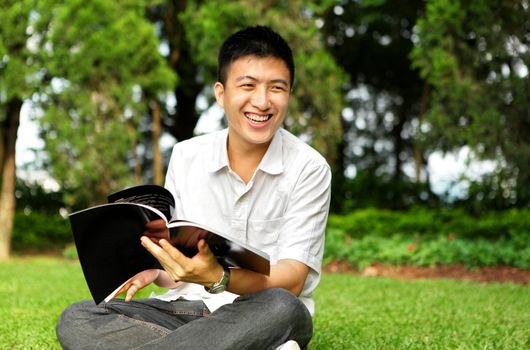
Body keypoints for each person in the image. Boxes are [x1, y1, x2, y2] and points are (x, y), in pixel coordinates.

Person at [57, 25, 331, 350]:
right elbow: (181, 266)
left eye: (277, 88)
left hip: (259, 312)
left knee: (285, 307)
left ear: (289, 95)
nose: (262, 101)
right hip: (185, 310)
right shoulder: (187, 155)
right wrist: (154, 270)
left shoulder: (309, 168)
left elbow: (293, 279)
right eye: (248, 85)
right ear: (221, 93)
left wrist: (219, 277)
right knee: (77, 318)